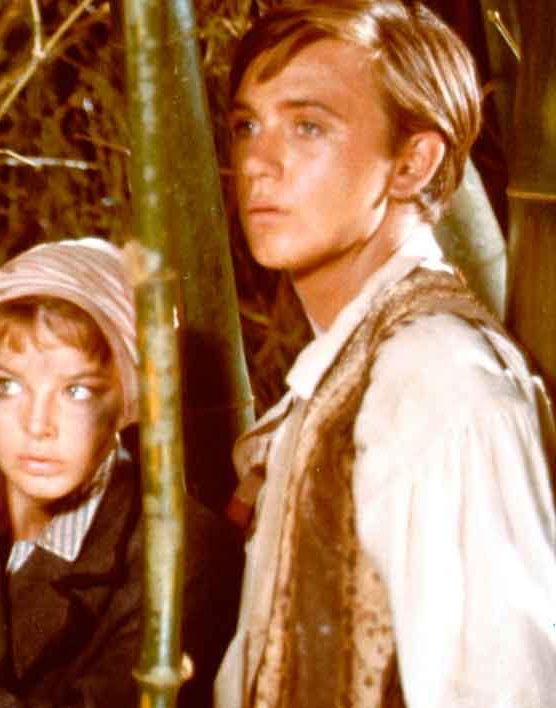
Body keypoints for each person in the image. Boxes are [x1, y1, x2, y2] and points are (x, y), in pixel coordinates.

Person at [214, 3, 556, 707]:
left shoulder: (438, 383)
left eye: (308, 126)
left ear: (412, 162)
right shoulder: (350, 370)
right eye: (248, 125)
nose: (257, 163)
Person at [0, 237, 243, 707]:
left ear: (129, 399)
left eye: (77, 391)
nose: (37, 425)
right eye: (7, 385)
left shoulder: (183, 557)